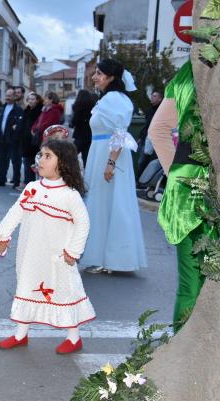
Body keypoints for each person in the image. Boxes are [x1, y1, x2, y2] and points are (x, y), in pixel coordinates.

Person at [0, 139, 94, 353]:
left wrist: (73, 251)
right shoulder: (32, 188)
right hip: (30, 253)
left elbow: (83, 223)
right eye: (41, 155)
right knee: (26, 287)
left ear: (63, 163)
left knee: (65, 291)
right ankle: (21, 334)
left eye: (48, 156)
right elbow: (15, 212)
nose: (40, 159)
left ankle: (74, 337)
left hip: (59, 256)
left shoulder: (70, 195)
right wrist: (2, 235)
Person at [149, 61, 211, 332]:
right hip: (218, 180)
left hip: (186, 181)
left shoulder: (187, 72)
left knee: (190, 278)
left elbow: (157, 130)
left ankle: (184, 347)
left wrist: (174, 171)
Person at [81, 59, 147, 274]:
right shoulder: (109, 98)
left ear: (111, 77)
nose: (94, 77)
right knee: (103, 204)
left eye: (99, 73)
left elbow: (119, 133)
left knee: (107, 204)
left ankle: (109, 259)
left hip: (110, 156)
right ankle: (104, 257)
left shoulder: (114, 99)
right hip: (102, 153)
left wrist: (110, 163)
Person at [0, 88, 23, 188]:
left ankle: (16, 181)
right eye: (6, 95)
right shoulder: (3, 107)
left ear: (14, 97)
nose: (7, 98)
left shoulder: (18, 109)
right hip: (2, 138)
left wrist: (15, 131)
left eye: (10, 96)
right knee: (2, 160)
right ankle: (1, 179)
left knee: (15, 161)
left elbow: (19, 124)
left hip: (12, 139)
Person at [136, 89, 163, 180]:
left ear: (160, 99)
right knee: (142, 161)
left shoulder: (161, 110)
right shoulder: (150, 110)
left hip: (157, 140)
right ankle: (140, 181)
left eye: (155, 96)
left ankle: (148, 181)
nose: (152, 97)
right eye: (152, 96)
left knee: (151, 162)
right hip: (146, 139)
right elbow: (146, 125)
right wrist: (141, 137)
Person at [20, 92, 43, 185]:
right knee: (27, 163)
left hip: (34, 142)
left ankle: (33, 184)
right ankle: (27, 182)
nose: (31, 101)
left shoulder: (40, 111)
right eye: (29, 99)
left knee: (35, 164)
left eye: (33, 99)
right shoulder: (26, 110)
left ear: (37, 101)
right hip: (26, 141)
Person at [70, 89, 97, 167]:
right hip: (90, 136)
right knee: (87, 158)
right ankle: (88, 176)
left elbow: (74, 121)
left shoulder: (78, 107)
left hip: (79, 135)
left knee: (71, 156)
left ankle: (71, 173)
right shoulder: (93, 107)